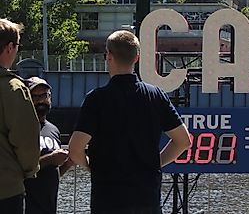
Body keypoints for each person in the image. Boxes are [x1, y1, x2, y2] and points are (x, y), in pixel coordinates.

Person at [68, 30, 191, 214]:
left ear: (108, 56)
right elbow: (183, 141)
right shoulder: (155, 95)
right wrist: (154, 164)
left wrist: (90, 166)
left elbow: (75, 149)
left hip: (108, 199)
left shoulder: (97, 99)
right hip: (146, 199)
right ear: (137, 58)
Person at [0, 19, 40, 214]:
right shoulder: (12, 88)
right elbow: (26, 140)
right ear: (9, 48)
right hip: (5, 189)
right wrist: (29, 170)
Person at [24, 77, 73, 214]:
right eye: (35, 96)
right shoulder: (18, 129)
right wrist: (50, 159)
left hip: (49, 207)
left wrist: (67, 164)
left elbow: (52, 173)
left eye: (44, 95)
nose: (40, 100)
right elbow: (17, 171)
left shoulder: (53, 130)